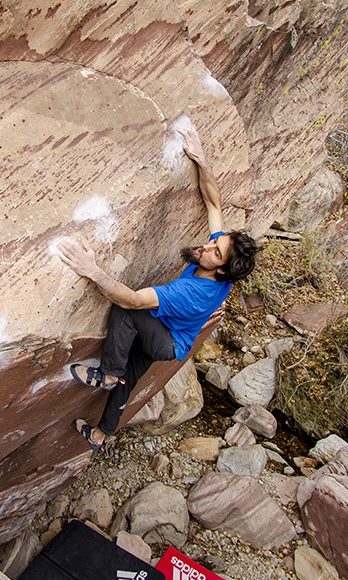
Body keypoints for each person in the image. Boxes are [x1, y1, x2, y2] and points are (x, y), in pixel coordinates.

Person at [57, 123, 258, 452]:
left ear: (222, 271)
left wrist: (92, 270)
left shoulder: (192, 293)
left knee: (127, 313)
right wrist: (202, 161)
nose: (207, 247)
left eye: (215, 252)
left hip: (166, 339)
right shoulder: (221, 265)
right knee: (130, 379)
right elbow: (214, 205)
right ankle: (100, 436)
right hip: (173, 337)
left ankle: (107, 374)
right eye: (215, 243)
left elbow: (134, 300)